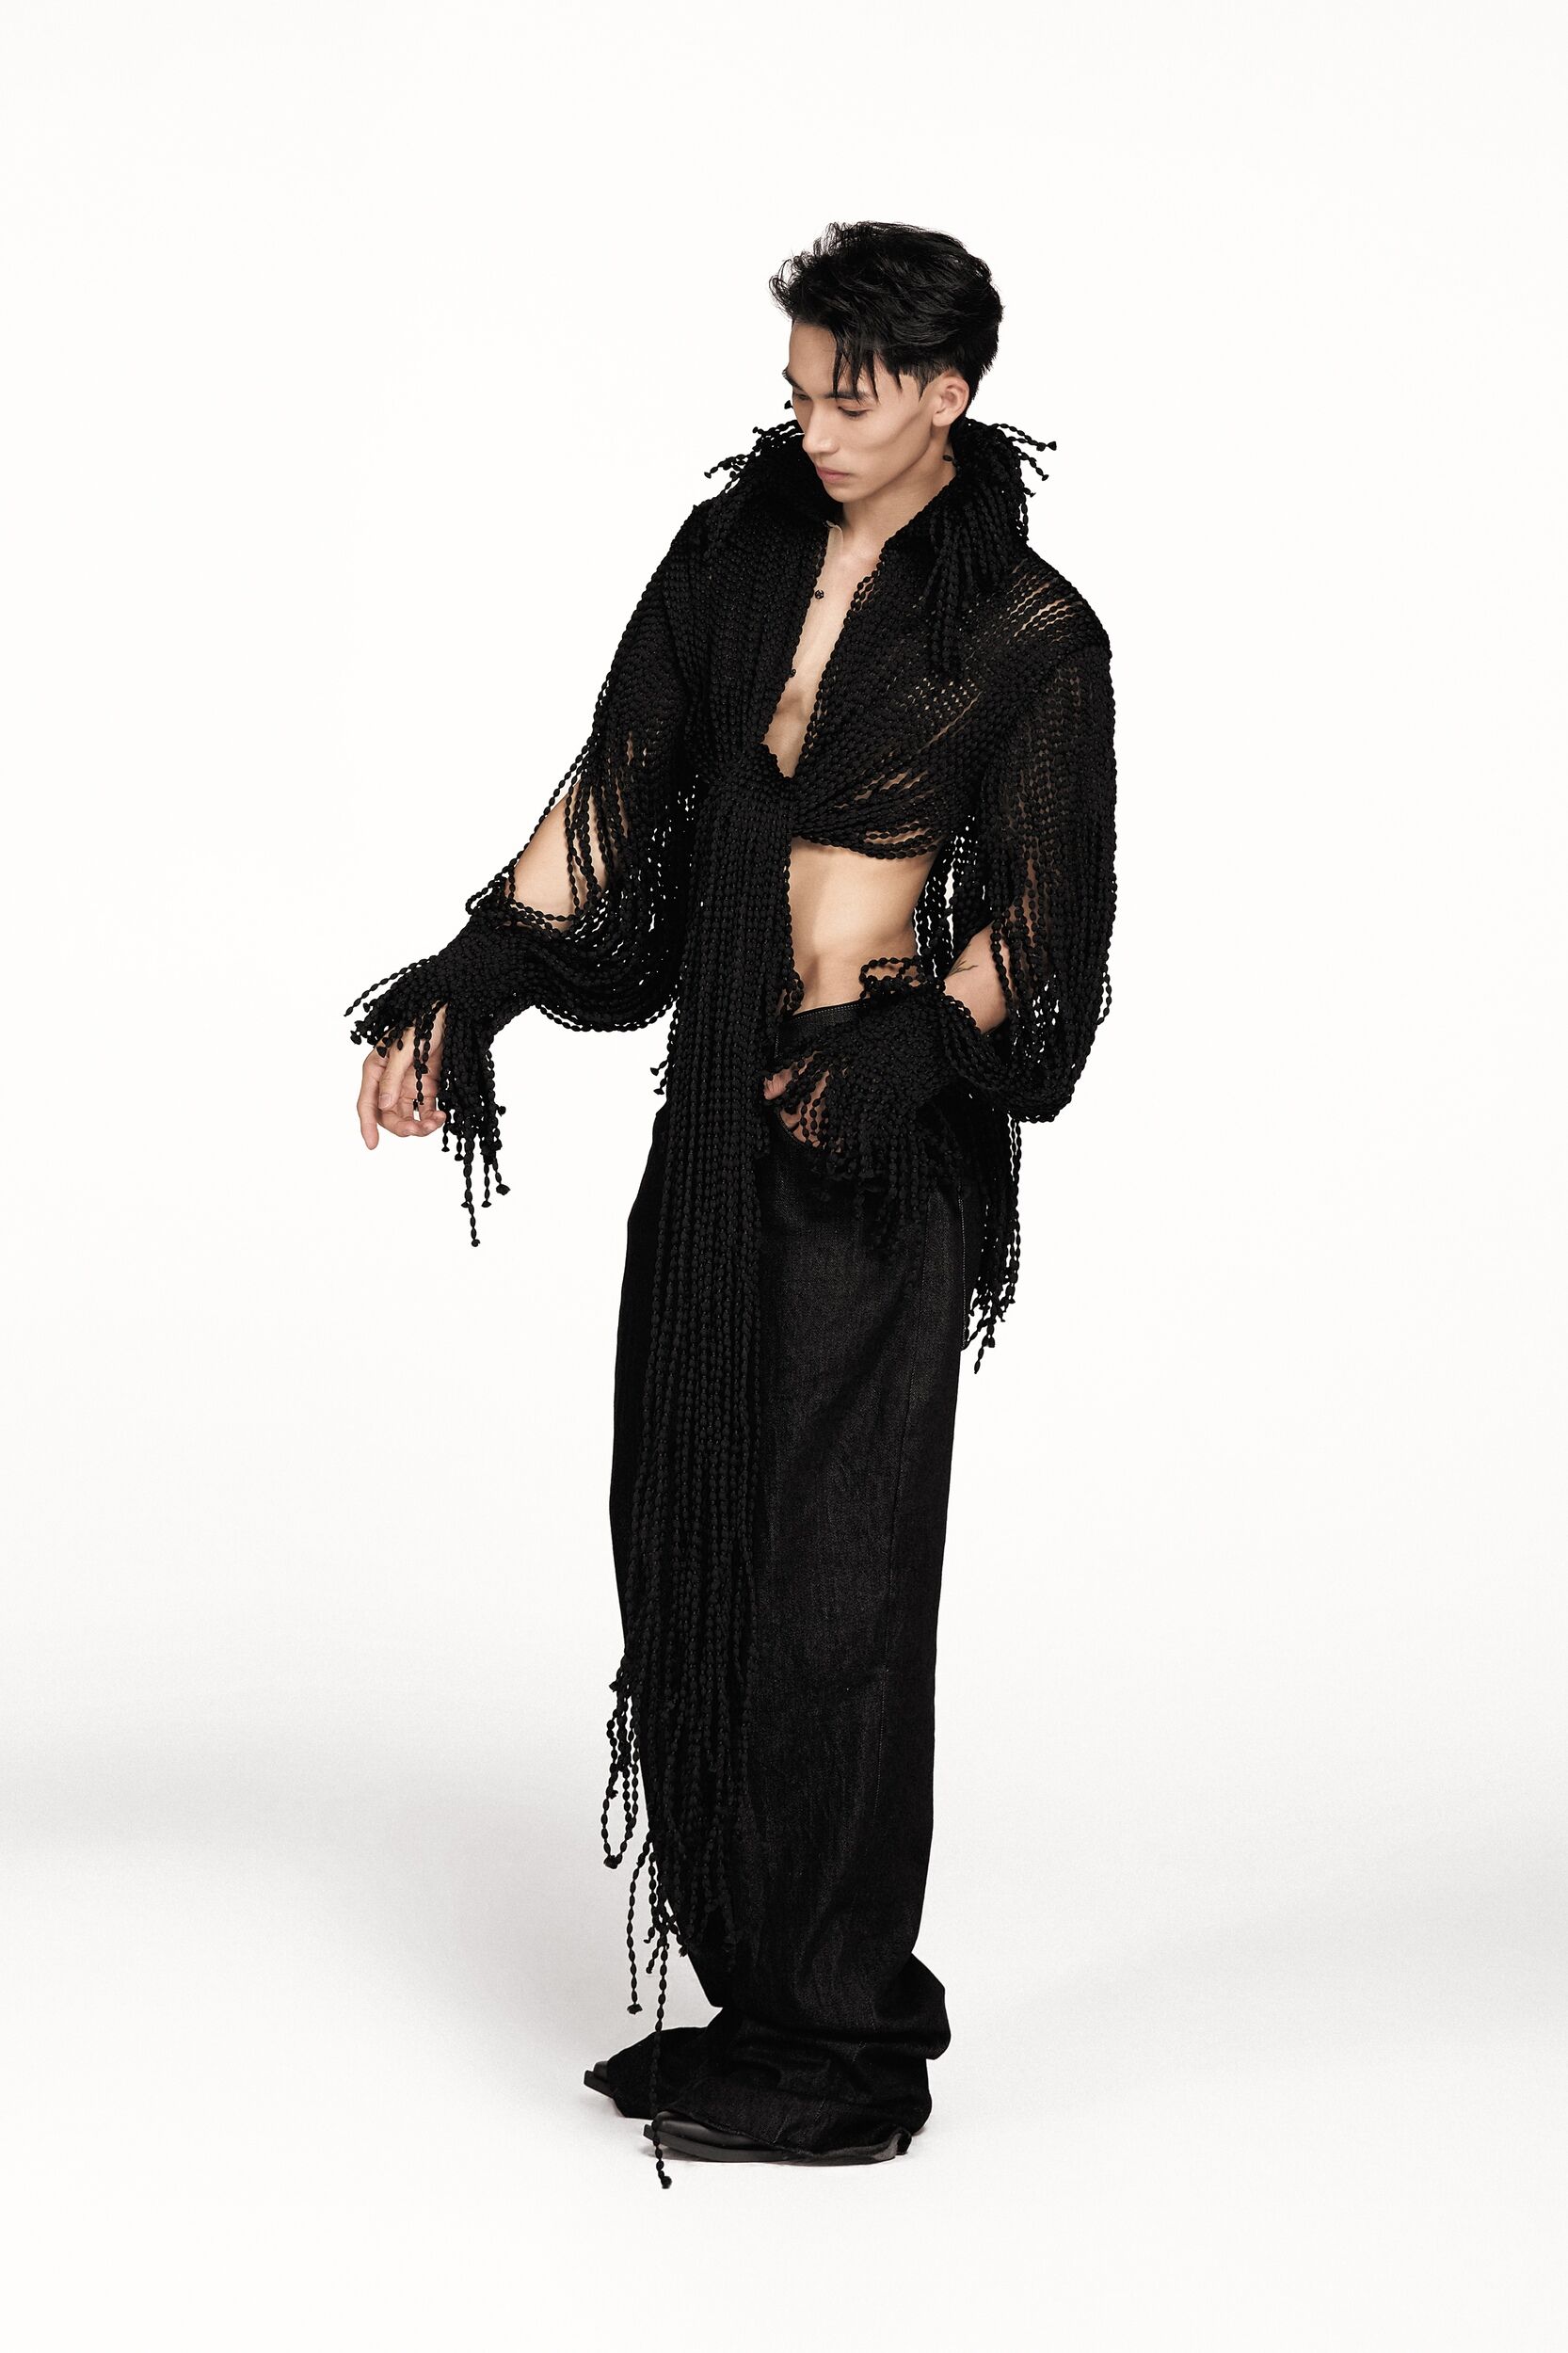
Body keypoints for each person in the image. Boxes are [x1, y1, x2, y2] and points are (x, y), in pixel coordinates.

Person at [345, 219, 1118, 2186]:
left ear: (944, 394)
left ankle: (844, 2033)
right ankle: (759, 1991)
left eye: (850, 398)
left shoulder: (1026, 632)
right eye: (796, 390)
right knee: (683, 1529)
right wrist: (465, 983)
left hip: (874, 1146)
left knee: (834, 1582)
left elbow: (1043, 928)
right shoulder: (732, 552)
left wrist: (908, 1048)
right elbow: (619, 791)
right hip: (714, 1138)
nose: (814, 427)